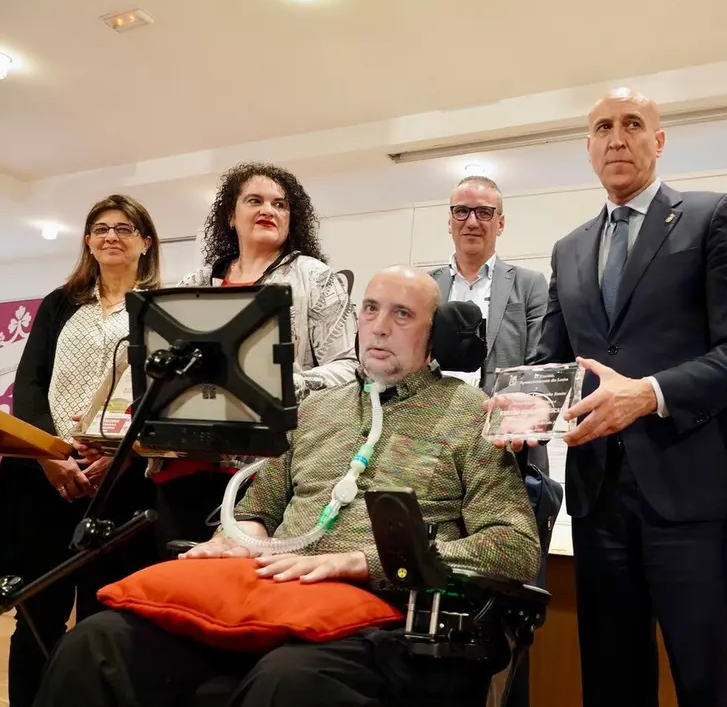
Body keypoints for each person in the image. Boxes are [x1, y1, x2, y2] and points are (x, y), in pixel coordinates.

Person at [32, 265, 540, 707]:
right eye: (370, 310)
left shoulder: (472, 414)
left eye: (402, 315)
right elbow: (260, 507)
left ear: (436, 336)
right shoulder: (317, 409)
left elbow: (513, 546)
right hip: (277, 596)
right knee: (94, 645)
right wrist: (232, 539)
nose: (379, 328)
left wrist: (364, 562)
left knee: (288, 681)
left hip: (387, 614)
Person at [519, 88, 727, 706]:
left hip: (698, 496)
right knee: (611, 685)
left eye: (632, 124)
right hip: (599, 498)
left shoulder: (712, 215)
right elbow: (549, 361)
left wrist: (651, 394)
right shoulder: (569, 248)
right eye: (602, 127)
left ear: (657, 141)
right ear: (587, 149)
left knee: (708, 684)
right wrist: (515, 404)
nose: (617, 137)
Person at [0, 194, 164, 707]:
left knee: (106, 626)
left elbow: (162, 395)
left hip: (121, 482)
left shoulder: (163, 308)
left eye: (125, 228)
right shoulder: (60, 303)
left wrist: (120, 458)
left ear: (146, 242)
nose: (111, 236)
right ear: (87, 241)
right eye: (100, 228)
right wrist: (46, 455)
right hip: (45, 478)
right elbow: (28, 385)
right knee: (36, 617)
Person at [149, 162, 359, 545]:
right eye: (255, 201)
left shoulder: (316, 278)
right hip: (186, 463)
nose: (268, 210)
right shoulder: (194, 283)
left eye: (280, 204)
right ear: (230, 215)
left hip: (268, 471)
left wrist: (286, 384)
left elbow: (349, 367)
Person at [428, 176, 548, 707]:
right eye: (461, 211)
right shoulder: (425, 286)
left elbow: (544, 367)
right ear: (449, 219)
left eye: (484, 212)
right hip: (431, 458)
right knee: (433, 591)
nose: (472, 221)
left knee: (509, 608)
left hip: (509, 459)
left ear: (501, 223)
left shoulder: (530, 286)